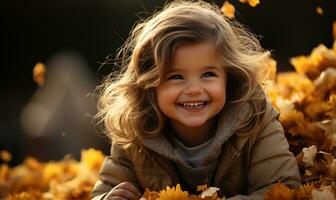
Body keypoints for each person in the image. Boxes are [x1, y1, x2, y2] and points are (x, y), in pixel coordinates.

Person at [91, 1, 301, 199]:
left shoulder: (254, 118)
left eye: (208, 74)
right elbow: (104, 189)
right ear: (149, 85)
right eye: (176, 77)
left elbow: (281, 190)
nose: (193, 89)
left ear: (229, 77)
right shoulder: (136, 131)